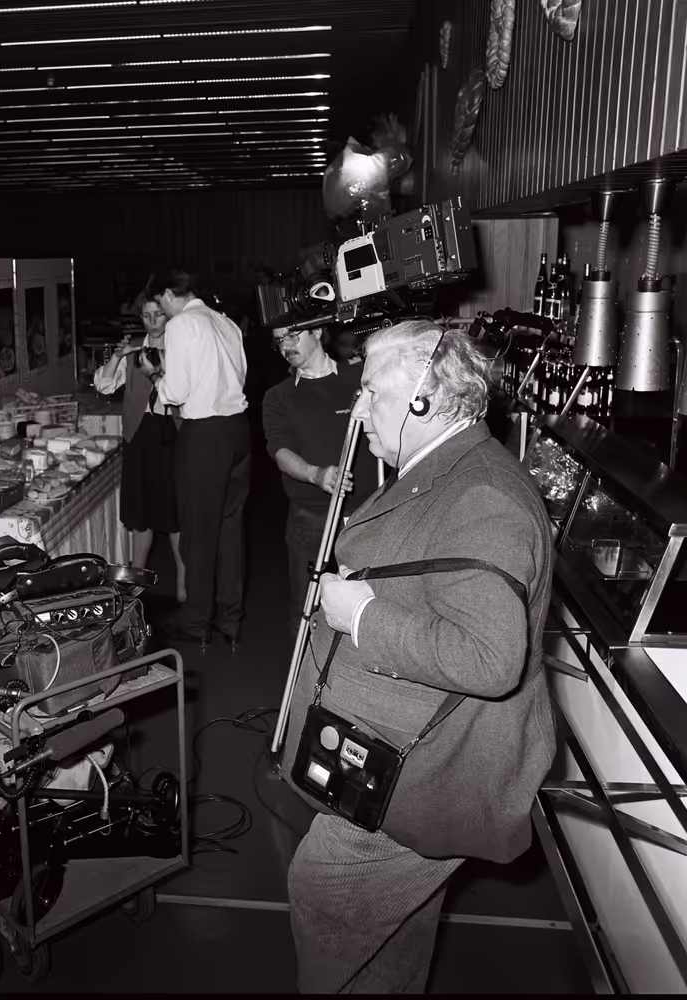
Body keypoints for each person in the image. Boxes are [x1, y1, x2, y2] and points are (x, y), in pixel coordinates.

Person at [281, 320, 555, 993]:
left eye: (372, 392)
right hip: (400, 750)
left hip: (426, 772)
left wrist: (361, 614)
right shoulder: (444, 465)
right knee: (395, 931)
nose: (358, 409)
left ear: (426, 398)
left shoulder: (483, 496)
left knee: (324, 891)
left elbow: (489, 657)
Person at [140, 268, 250, 649]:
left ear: (171, 294)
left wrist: (155, 376)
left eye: (161, 303)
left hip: (204, 435)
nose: (163, 311)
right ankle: (231, 621)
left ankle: (196, 622)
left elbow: (176, 391)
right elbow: (240, 376)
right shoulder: (226, 323)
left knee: (199, 531)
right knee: (230, 531)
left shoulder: (182, 324)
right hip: (238, 430)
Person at [261, 325, 377, 637]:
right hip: (312, 515)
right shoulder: (279, 396)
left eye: (292, 335)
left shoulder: (360, 378)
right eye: (279, 341)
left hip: (369, 512)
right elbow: (281, 452)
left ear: (316, 331)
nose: (286, 346)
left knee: (368, 600)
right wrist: (316, 474)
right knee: (307, 607)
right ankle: (303, 665)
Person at [93, 293, 187, 603]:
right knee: (140, 513)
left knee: (175, 513)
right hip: (140, 434)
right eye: (146, 315)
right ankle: (137, 582)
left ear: (168, 315)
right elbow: (104, 385)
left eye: (158, 314)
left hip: (172, 433)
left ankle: (184, 583)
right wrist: (118, 356)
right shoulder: (133, 350)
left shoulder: (181, 348)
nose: (152, 321)